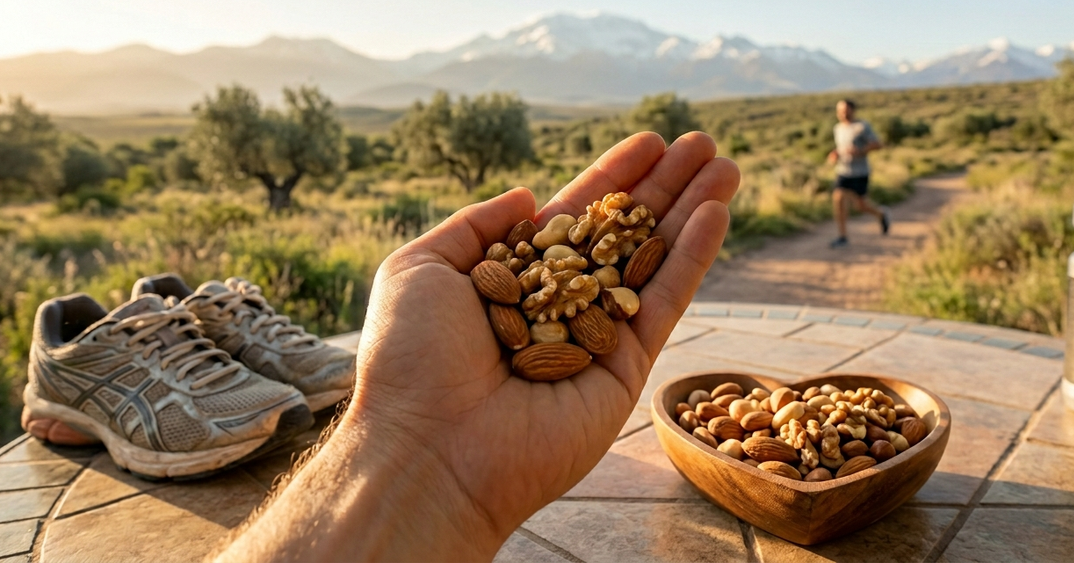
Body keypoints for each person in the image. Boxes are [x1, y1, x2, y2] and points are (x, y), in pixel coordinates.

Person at [211, 131, 740, 562]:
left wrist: (409, 451)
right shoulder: (538, 283)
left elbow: (568, 291)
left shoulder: (572, 283)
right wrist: (411, 437)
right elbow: (552, 294)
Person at [825, 99, 888, 248]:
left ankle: (881, 214)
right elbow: (841, 148)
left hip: (860, 172)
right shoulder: (838, 128)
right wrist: (835, 155)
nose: (843, 113)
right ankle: (842, 236)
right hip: (843, 171)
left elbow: (877, 144)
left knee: (860, 206)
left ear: (853, 110)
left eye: (845, 110)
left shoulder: (862, 127)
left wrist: (860, 151)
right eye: (840, 111)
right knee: (838, 198)